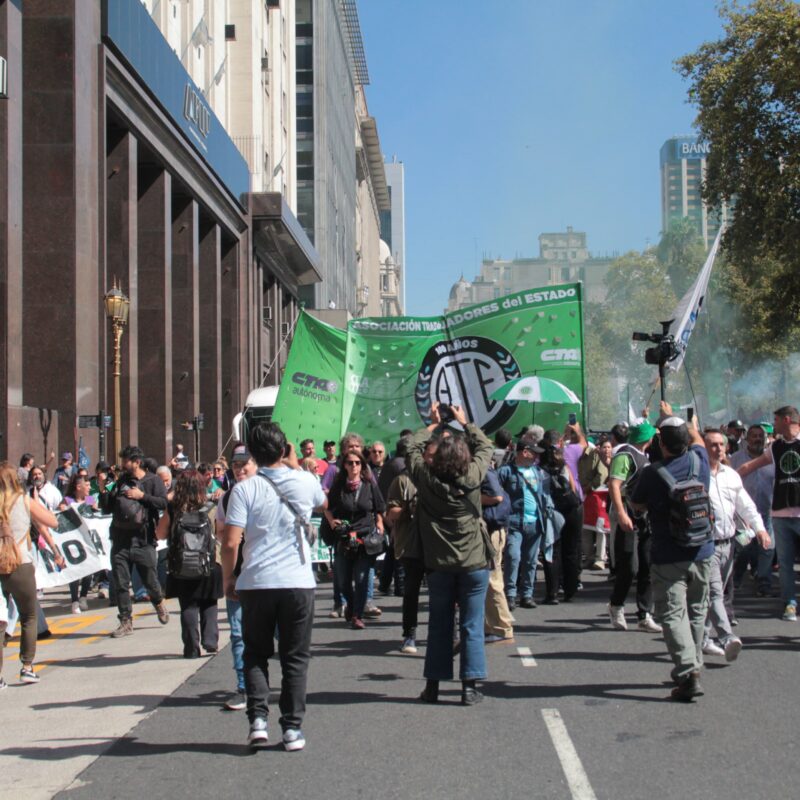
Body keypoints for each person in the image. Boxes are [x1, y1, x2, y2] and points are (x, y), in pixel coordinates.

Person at [220, 422, 326, 751]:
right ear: (284, 450)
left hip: (256, 581)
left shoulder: (244, 489)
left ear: (253, 454)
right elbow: (322, 502)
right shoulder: (305, 481)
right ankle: (292, 728)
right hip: (297, 582)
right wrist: (295, 464)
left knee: (255, 653)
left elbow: (230, 542)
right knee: (295, 657)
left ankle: (258, 721)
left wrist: (228, 578)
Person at [408, 403, 493, 706]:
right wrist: (464, 422)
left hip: (439, 563)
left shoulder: (425, 478)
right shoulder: (474, 475)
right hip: (474, 562)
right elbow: (485, 446)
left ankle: (432, 687)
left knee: (439, 625)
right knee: (471, 625)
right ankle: (469, 688)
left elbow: (411, 447)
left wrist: (432, 424)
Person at [629, 409, 713, 701]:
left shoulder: (653, 473)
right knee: (697, 610)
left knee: (673, 614)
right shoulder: (701, 460)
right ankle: (693, 665)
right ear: (686, 441)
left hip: (668, 554)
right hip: (702, 549)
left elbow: (637, 504)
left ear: (661, 444)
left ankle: (688, 672)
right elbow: (698, 438)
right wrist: (676, 417)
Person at [700, 429, 768, 663]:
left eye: (721, 444)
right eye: (712, 444)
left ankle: (703, 639)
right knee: (715, 592)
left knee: (714, 593)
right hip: (706, 546)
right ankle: (727, 637)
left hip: (729, 544)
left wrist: (760, 529)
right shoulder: (697, 475)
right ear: (703, 448)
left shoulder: (731, 475)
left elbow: (745, 505)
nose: (718, 449)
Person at [0, 462, 63, 687]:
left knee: (0, 621)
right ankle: (27, 667)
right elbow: (52, 522)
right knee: (28, 616)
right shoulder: (24, 500)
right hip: (20, 564)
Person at [98, 446, 170, 637]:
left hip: (143, 541)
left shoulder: (153, 480)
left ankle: (158, 602)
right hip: (120, 541)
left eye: (126, 461)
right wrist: (103, 489)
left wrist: (142, 496)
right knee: (121, 583)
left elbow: (163, 503)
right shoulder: (121, 481)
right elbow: (107, 508)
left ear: (137, 462)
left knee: (150, 581)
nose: (122, 464)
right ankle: (125, 621)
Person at [737, 405, 800, 621]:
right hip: (780, 515)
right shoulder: (776, 447)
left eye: (776, 420)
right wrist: (727, 477)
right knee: (785, 564)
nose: (773, 425)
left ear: (786, 420)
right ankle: (789, 603)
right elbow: (751, 466)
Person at [156, 469, 221, 658]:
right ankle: (210, 640)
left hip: (181, 564)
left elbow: (160, 534)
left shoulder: (173, 508)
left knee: (188, 605)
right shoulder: (211, 506)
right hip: (209, 562)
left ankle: (191, 648)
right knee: (209, 602)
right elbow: (220, 532)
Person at [607, 421, 661, 633]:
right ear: (648, 438)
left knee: (647, 565)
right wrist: (621, 513)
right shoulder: (626, 455)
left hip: (645, 518)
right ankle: (616, 605)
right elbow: (614, 484)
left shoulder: (644, 457)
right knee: (630, 567)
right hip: (628, 515)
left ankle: (644, 614)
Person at [216, 444, 258, 711]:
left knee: (280, 631)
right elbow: (223, 536)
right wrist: (228, 577)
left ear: (256, 465)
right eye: (235, 465)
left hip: (267, 576)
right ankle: (244, 687)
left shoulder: (269, 493)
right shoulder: (227, 498)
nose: (240, 469)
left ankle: (289, 682)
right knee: (238, 633)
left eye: (245, 464)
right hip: (240, 575)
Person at [323, 451, 386, 629]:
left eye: (358, 463)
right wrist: (332, 521)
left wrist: (380, 522)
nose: (354, 466)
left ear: (362, 465)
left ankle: (357, 615)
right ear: (344, 465)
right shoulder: (339, 485)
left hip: (364, 537)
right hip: (344, 537)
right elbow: (327, 506)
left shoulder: (369, 484)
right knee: (343, 581)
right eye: (350, 463)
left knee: (361, 579)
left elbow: (379, 506)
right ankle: (350, 606)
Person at [498, 437, 554, 607]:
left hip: (535, 522)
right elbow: (496, 493)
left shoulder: (538, 472)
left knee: (530, 560)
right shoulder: (506, 472)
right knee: (513, 557)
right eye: (534, 453)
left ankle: (527, 595)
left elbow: (544, 495)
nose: (537, 457)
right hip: (514, 522)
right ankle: (510, 594)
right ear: (524, 452)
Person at [539, 429, 584, 603]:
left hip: (553, 510)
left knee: (552, 549)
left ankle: (552, 592)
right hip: (572, 509)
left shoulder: (540, 470)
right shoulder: (564, 466)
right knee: (571, 550)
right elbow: (572, 488)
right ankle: (570, 589)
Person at [729, 424, 775, 596]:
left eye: (760, 436)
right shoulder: (736, 459)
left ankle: (764, 584)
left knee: (767, 548)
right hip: (743, 516)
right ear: (747, 439)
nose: (757, 439)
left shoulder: (772, 458)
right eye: (754, 436)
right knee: (744, 549)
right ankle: (736, 580)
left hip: (767, 511)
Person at [482, 460, 514, 644]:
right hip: (492, 530)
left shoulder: (484, 469)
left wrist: (469, 497)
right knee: (490, 579)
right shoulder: (482, 467)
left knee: (492, 580)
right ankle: (492, 626)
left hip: (492, 531)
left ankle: (502, 627)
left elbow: (496, 496)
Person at [63, 473, 97, 614]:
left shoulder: (89, 499)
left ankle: (83, 596)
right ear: (78, 487)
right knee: (75, 570)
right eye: (86, 485)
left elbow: (96, 513)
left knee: (89, 569)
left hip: (87, 539)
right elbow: (61, 513)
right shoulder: (68, 500)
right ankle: (74, 600)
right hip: (73, 540)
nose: (89, 488)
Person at [578, 435, 612, 570]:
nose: (606, 450)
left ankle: (600, 558)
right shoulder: (575, 456)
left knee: (600, 528)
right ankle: (589, 557)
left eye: (608, 447)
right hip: (582, 496)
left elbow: (601, 475)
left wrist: (588, 487)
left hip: (598, 495)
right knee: (585, 528)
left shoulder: (595, 454)